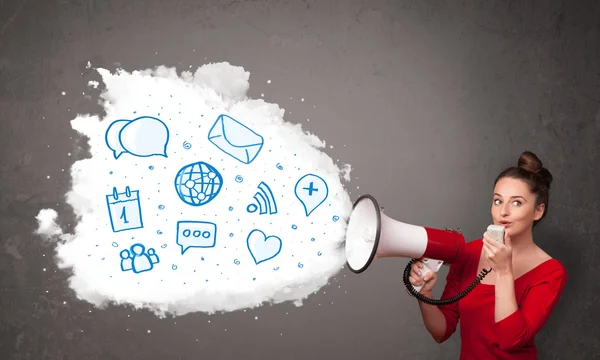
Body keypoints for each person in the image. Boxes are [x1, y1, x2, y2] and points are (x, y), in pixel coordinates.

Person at [409, 151, 567, 359]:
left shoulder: (550, 272)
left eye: (517, 202)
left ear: (538, 211)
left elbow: (511, 341)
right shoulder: (469, 253)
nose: (503, 212)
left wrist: (503, 272)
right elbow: (442, 331)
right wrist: (425, 295)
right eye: (498, 201)